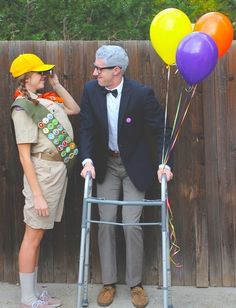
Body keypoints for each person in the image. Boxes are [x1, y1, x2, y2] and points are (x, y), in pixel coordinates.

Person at [79, 45, 173, 308]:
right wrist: (86, 159)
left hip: (135, 167)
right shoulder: (90, 90)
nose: (94, 72)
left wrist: (164, 163)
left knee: (131, 224)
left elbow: (161, 130)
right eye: (96, 67)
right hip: (105, 164)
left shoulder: (141, 95)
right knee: (106, 222)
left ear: (116, 70)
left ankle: (135, 284)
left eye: (99, 68)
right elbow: (85, 127)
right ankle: (108, 283)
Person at [10, 53, 80, 308]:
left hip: (55, 171)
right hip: (42, 173)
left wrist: (57, 84)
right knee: (33, 235)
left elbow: (75, 109)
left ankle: (34, 292)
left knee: (38, 235)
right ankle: (27, 298)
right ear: (26, 78)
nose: (44, 75)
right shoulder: (23, 107)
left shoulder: (46, 100)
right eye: (40, 73)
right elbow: (24, 156)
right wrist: (37, 194)